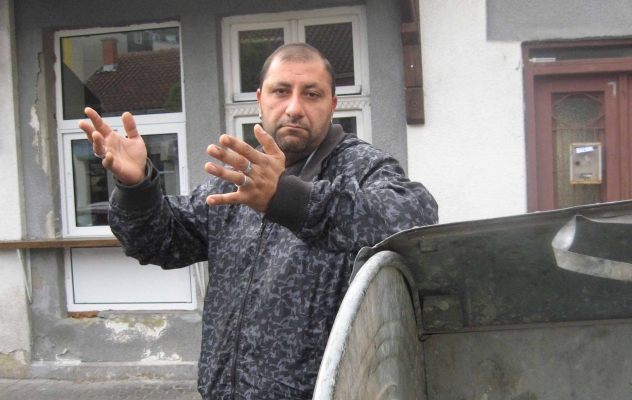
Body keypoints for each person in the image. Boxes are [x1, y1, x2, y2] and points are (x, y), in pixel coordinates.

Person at [79, 43, 438, 399]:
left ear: (332, 106)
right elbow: (157, 240)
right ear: (260, 99)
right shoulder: (237, 181)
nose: (294, 108)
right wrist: (137, 187)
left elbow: (415, 215)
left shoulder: (360, 167)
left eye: (311, 94)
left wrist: (287, 199)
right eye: (281, 91)